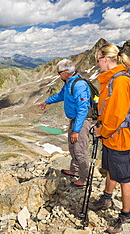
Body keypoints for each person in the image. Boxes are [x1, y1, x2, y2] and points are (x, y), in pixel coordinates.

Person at [90, 44, 130, 234]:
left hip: (119, 137)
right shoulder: (111, 80)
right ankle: (107, 199)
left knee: (124, 178)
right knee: (110, 170)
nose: (97, 63)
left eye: (98, 59)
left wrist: (104, 131)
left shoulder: (120, 81)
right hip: (110, 136)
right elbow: (108, 109)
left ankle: (125, 216)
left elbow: (117, 114)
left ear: (106, 59)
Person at [39, 59, 91, 187]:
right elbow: (60, 95)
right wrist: (47, 102)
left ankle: (84, 179)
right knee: (73, 147)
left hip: (82, 121)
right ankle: (75, 170)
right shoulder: (68, 83)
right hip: (74, 120)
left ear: (67, 72)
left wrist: (77, 130)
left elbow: (83, 109)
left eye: (59, 72)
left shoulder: (79, 85)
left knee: (80, 150)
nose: (58, 75)